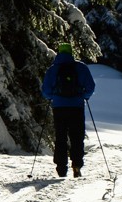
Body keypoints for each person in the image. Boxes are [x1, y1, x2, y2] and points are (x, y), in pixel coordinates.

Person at [41, 42, 96, 178]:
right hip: (76, 107)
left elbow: (46, 91)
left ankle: (61, 168)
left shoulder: (53, 69)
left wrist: (54, 97)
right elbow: (90, 87)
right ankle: (76, 165)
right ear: (71, 53)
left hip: (59, 108)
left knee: (60, 137)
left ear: (59, 53)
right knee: (77, 136)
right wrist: (83, 96)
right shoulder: (81, 67)